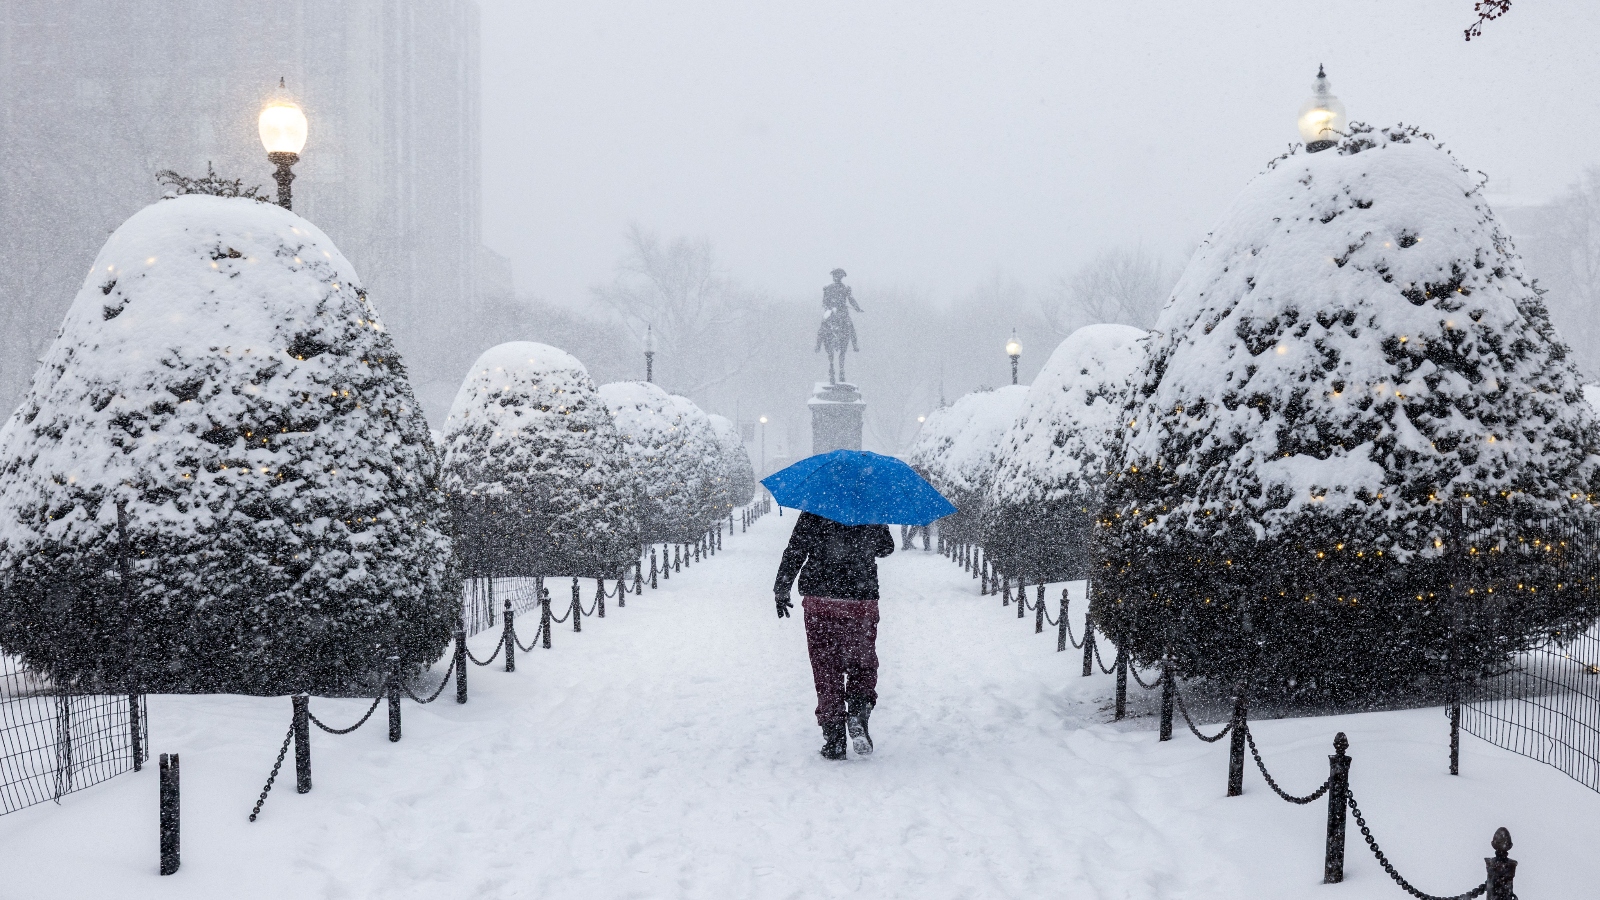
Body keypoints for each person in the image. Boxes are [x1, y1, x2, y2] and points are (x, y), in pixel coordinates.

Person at [774, 510, 894, 759]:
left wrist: (782, 589)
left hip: (820, 600)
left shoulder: (815, 508)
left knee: (825, 667)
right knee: (863, 662)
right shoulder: (869, 507)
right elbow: (886, 548)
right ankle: (858, 710)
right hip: (860, 600)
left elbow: (796, 548)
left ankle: (835, 738)